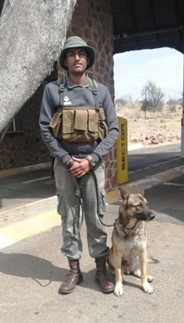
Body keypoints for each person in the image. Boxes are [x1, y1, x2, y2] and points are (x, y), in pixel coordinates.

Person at [39, 36, 119, 294]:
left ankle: (101, 270)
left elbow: (113, 130)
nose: (77, 58)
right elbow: (45, 128)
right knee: (69, 218)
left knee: (96, 219)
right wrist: (66, 159)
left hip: (92, 166)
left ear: (87, 59)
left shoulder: (100, 91)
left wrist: (91, 160)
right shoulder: (53, 90)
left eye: (81, 54)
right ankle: (74, 271)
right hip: (65, 166)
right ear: (65, 60)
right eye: (71, 54)